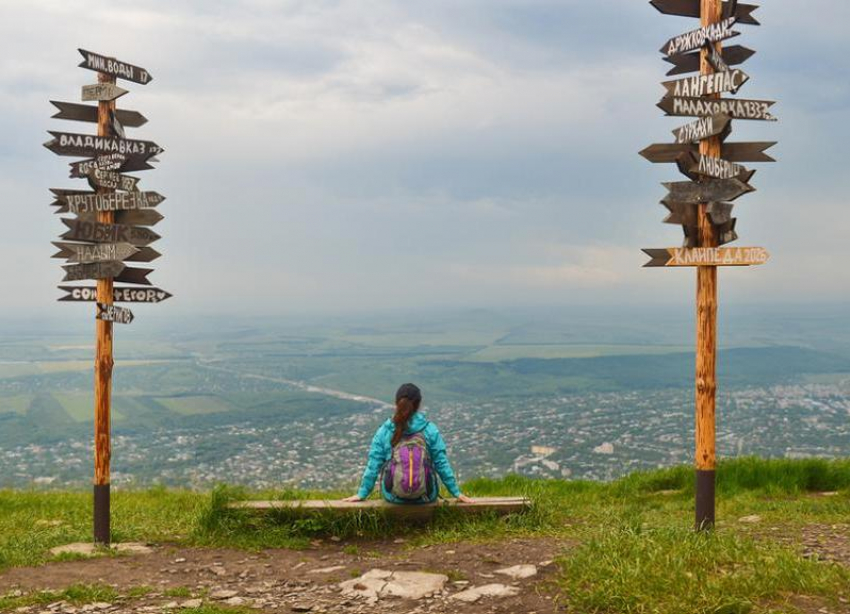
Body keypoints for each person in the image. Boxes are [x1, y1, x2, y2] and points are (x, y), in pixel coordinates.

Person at [344, 383, 474, 504]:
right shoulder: (429, 429)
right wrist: (456, 493)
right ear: (419, 404)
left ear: (396, 403)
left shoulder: (385, 431)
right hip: (426, 497)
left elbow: (373, 465)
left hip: (393, 497)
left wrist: (362, 494)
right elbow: (441, 463)